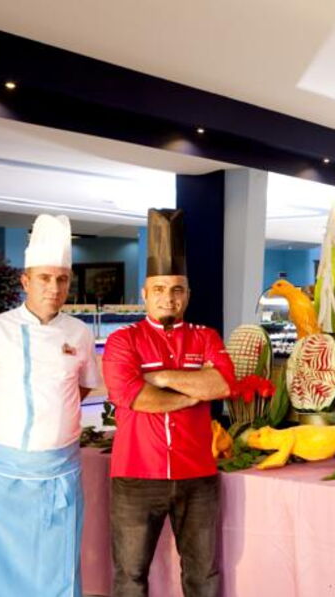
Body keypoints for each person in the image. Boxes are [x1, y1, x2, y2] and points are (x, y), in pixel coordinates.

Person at [0, 214, 102, 597]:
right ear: (25, 282)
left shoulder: (79, 333)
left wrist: (56, 415)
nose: (54, 288)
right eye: (44, 278)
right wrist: (1, 416)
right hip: (3, 468)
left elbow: (84, 385)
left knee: (58, 561)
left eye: (62, 279)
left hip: (59, 468)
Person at [102, 208, 235, 597]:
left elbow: (222, 384)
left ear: (188, 295)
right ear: (144, 294)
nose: (168, 297)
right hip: (136, 474)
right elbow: (134, 397)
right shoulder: (123, 340)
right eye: (159, 288)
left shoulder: (206, 336)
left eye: (177, 289)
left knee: (203, 575)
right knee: (130, 576)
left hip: (198, 474)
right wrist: (196, 390)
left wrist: (159, 377)